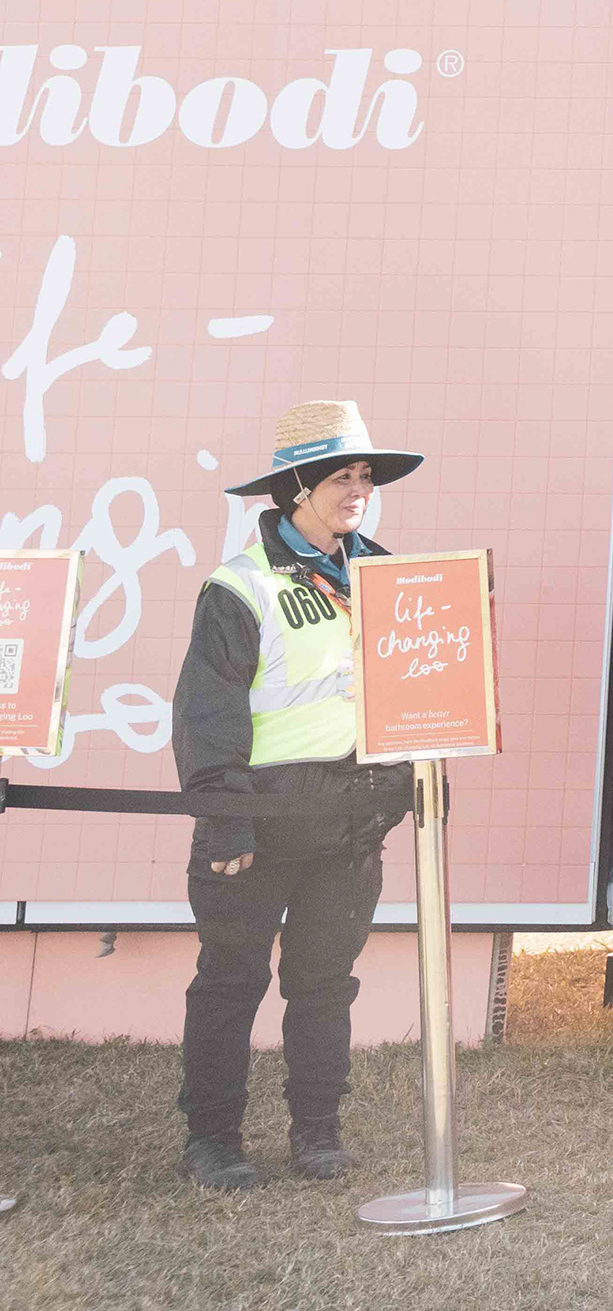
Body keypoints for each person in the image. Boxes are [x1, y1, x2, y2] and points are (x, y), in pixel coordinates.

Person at [171, 399, 422, 1189]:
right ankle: (213, 1140)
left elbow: (413, 694)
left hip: (348, 824)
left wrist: (394, 792)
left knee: (324, 983)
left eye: (366, 476)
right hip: (256, 823)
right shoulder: (239, 587)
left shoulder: (390, 577)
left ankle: (318, 1133)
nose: (360, 491)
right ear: (296, 488)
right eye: (342, 476)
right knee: (230, 981)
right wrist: (225, 825)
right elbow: (207, 717)